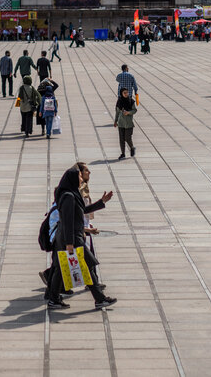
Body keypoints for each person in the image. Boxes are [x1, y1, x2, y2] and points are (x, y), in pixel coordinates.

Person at [44, 164, 115, 310]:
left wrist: (101, 203)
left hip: (63, 237)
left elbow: (83, 210)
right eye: (79, 176)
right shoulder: (69, 196)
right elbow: (68, 221)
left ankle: (53, 299)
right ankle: (99, 298)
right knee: (86, 265)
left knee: (58, 268)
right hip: (71, 238)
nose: (81, 178)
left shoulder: (69, 193)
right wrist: (70, 243)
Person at [114, 88, 137, 159]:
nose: (126, 94)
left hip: (129, 123)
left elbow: (135, 110)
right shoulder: (119, 102)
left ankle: (132, 147)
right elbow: (117, 112)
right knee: (121, 139)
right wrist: (115, 121)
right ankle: (123, 153)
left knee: (127, 138)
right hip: (121, 123)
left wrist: (129, 112)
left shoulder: (131, 101)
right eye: (124, 93)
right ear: (121, 93)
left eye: (127, 92)